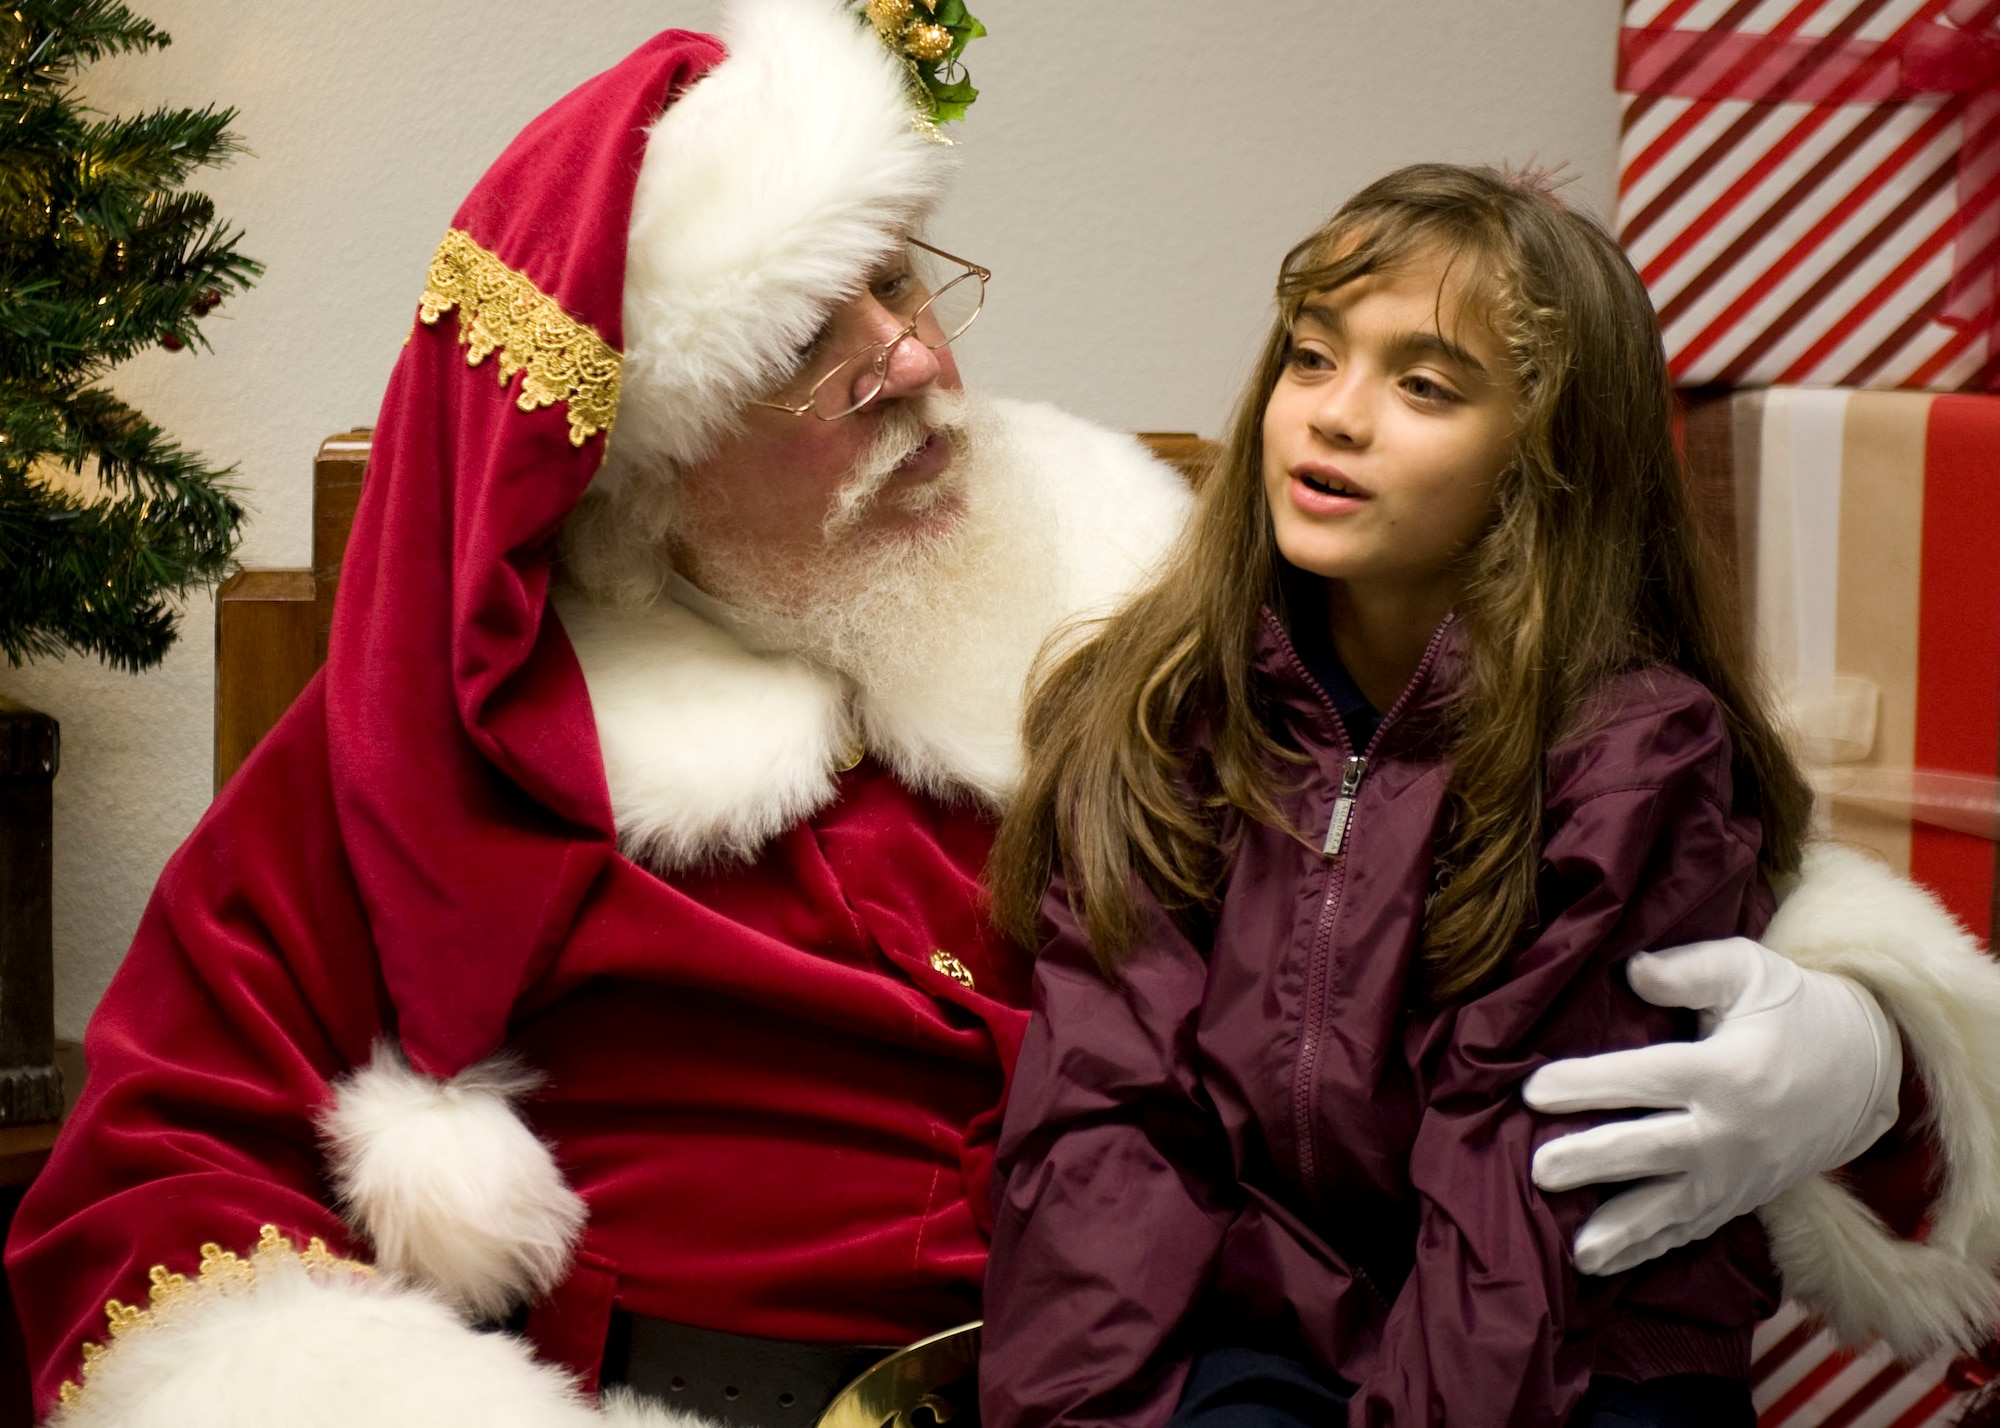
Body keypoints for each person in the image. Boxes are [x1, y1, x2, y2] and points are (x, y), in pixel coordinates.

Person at [8, 7, 1998, 1428]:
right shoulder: (425, 743)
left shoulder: (1162, 590)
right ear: (637, 451)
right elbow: (154, 1177)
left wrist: (1861, 1045)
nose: (911, 361)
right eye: (810, 340)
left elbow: (1594, 813)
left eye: (905, 281)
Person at [976, 164, 2000, 1428]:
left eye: (1423, 385)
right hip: (1279, 1323)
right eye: (1310, 357)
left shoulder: (1631, 754)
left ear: (1546, 453)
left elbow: (1516, 1201)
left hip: (1575, 1356)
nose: (1334, 417)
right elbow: (1103, 1128)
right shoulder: (1159, 708)